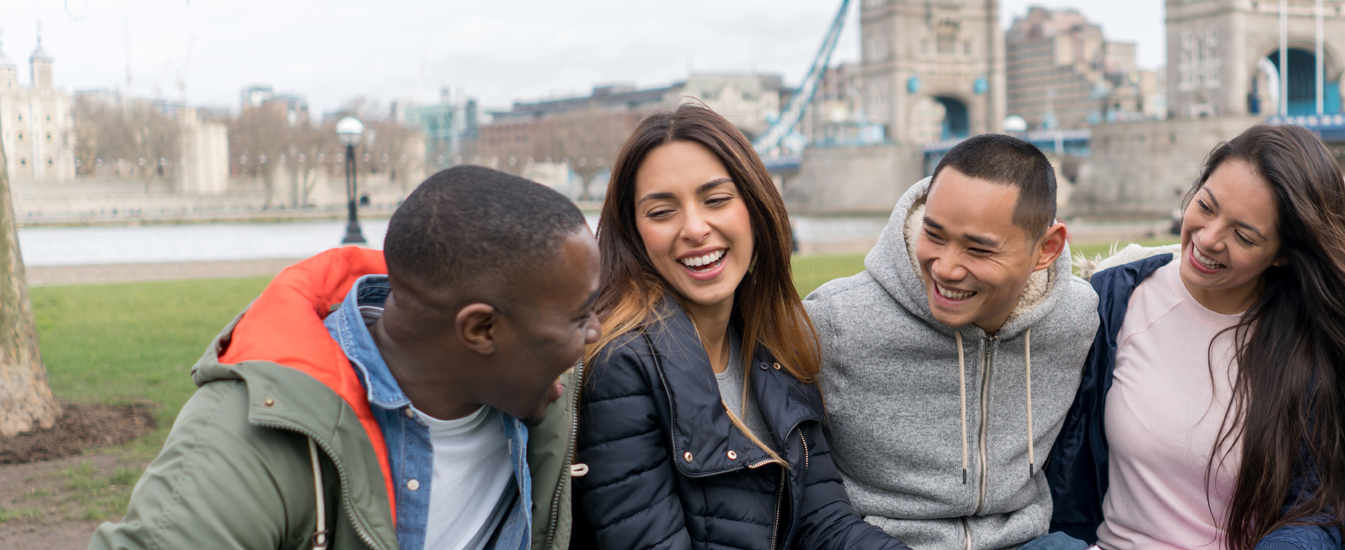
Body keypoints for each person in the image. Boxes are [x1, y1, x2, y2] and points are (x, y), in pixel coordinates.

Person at [91, 165, 601, 550]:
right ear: (480, 329)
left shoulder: (545, 390)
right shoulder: (250, 440)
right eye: (580, 318)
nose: (596, 332)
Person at [1044, 124, 1345, 550]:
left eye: (1243, 235)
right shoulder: (1111, 302)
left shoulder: (1313, 347)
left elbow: (1318, 510)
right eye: (1205, 206)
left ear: (1284, 254)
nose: (1208, 238)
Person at [570, 103, 906, 550]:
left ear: (755, 206)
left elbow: (824, 523)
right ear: (633, 233)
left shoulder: (774, 341)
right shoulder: (622, 366)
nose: (695, 228)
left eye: (716, 200)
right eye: (661, 212)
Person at [802, 134, 1100, 550]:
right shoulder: (831, 320)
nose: (945, 268)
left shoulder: (1078, 316)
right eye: (935, 235)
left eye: (978, 249)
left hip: (1027, 542)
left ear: (1047, 249)